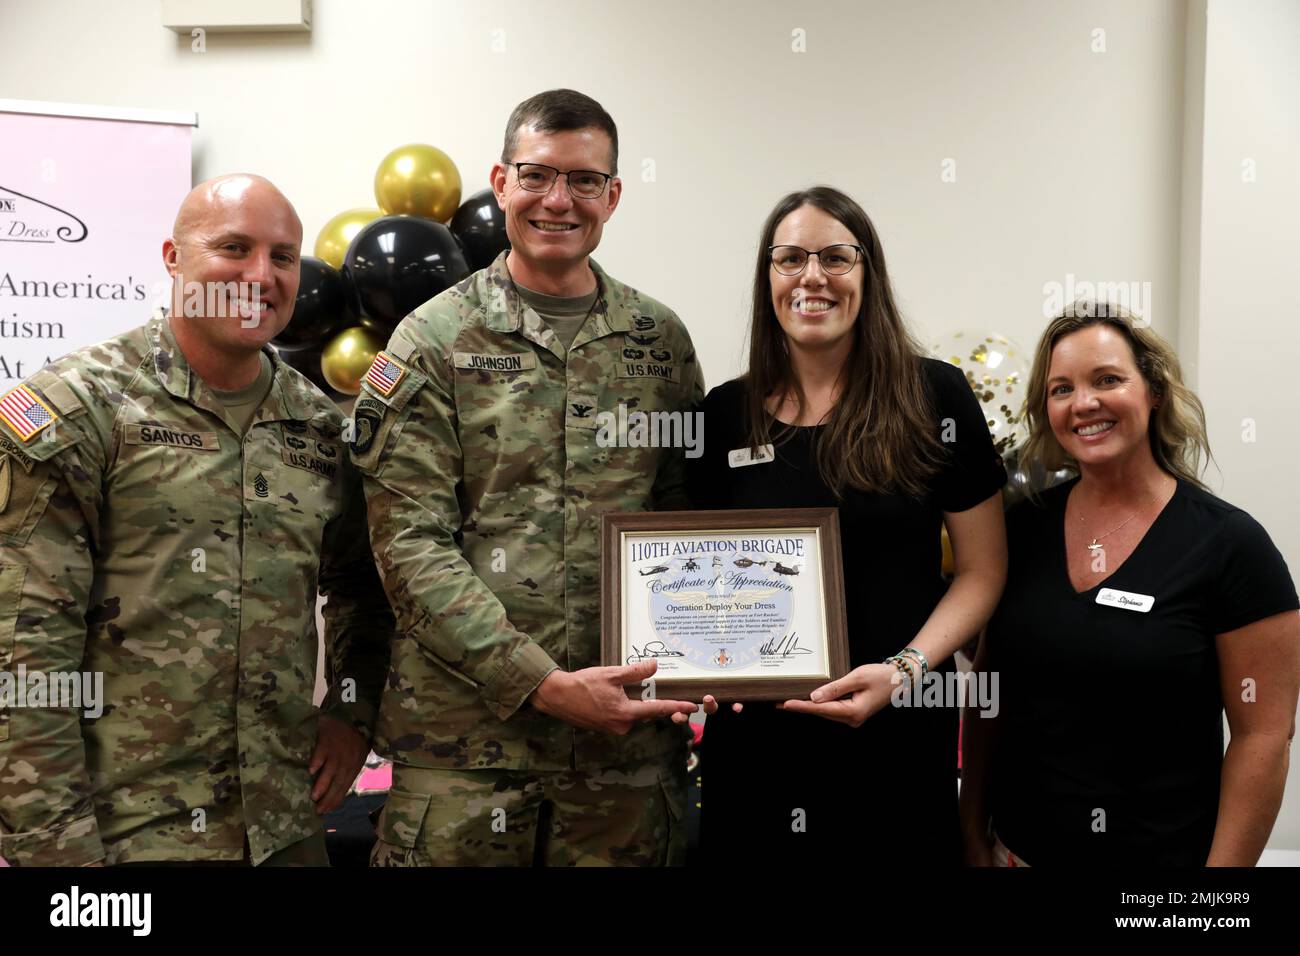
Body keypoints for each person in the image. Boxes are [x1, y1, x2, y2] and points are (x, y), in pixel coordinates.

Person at [353, 89, 704, 867]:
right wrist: (542, 683)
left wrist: (712, 649)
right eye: (537, 174)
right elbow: (408, 545)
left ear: (612, 195)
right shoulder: (433, 339)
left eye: (584, 180)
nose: (558, 199)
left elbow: (681, 522)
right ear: (501, 181)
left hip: (624, 760)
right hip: (466, 752)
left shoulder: (660, 341)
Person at [0, 174, 393, 866]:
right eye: (232, 248)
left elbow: (363, 590)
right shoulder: (80, 410)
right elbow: (26, 655)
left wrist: (351, 714)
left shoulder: (318, 428)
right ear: (173, 258)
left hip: (283, 826)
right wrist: (56, 860)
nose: (260, 274)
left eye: (281, 256)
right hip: (126, 833)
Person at [687, 186, 1008, 864]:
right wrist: (696, 669)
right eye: (790, 258)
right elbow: (696, 581)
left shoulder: (935, 397)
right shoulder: (722, 415)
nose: (812, 276)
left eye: (836, 257)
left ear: (868, 274)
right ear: (767, 277)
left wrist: (905, 670)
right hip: (757, 748)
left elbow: (984, 571)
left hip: (897, 730)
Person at [961, 304, 1300, 866]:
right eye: (1061, 389)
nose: (1084, 403)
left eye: (1108, 380)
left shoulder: (1230, 545)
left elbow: (1263, 736)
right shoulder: (1019, 531)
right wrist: (972, 832)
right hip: (1018, 855)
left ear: (1155, 391)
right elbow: (990, 694)